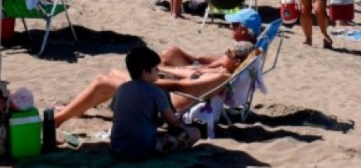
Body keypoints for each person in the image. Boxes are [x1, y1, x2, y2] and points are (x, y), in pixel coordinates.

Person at [55, 42, 255, 128]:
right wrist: (168, 71)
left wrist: (158, 78)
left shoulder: (221, 78)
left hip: (165, 101)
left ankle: (60, 118)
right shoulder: (222, 72)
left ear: (237, 62)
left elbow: (182, 87)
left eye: (227, 54)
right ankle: (77, 110)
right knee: (112, 76)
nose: (223, 55)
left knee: (103, 81)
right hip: (165, 94)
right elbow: (190, 74)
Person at [109, 47, 201, 162]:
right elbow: (173, 122)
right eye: (155, 68)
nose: (158, 70)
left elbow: (117, 111)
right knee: (194, 133)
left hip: (117, 148)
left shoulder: (122, 88)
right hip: (142, 151)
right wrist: (186, 129)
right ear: (144, 72)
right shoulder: (156, 92)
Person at [160, 9, 261, 68]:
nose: (230, 27)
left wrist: (198, 67)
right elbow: (224, 59)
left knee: (169, 55)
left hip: (205, 82)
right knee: (172, 53)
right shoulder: (250, 48)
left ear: (243, 30)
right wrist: (195, 59)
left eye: (234, 24)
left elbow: (220, 66)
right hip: (209, 74)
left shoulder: (238, 48)